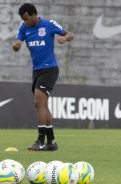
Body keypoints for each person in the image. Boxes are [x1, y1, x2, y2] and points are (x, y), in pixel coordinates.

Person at [12, 3, 74, 151]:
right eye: (23, 19)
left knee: (38, 103)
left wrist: (64, 39)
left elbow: (70, 34)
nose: (25, 22)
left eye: (27, 19)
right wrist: (16, 46)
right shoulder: (23, 28)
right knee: (43, 105)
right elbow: (17, 44)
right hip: (37, 71)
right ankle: (51, 142)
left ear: (34, 15)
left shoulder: (48, 24)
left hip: (50, 69)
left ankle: (40, 140)